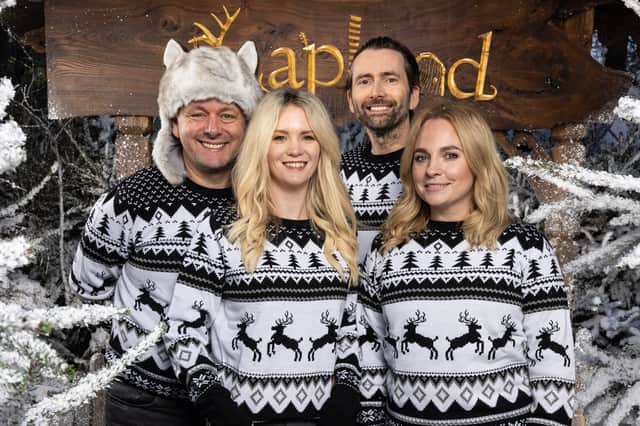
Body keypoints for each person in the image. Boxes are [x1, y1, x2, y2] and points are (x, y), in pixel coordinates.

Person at [69, 38, 262, 425]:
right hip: (145, 403)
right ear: (174, 122)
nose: (212, 128)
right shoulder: (128, 201)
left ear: (248, 122)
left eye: (227, 114)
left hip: (237, 403)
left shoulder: (264, 202)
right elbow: (86, 290)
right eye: (196, 114)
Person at [358, 103, 575, 425]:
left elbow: (553, 366)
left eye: (450, 155)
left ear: (478, 162)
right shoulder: (387, 249)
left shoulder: (525, 248)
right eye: (421, 157)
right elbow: (369, 354)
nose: (432, 169)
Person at [165, 88, 361, 426]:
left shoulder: (339, 238)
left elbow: (352, 332)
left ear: (322, 147)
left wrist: (345, 397)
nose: (295, 150)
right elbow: (182, 330)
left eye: (308, 137)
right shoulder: (222, 232)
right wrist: (219, 407)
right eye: (280, 137)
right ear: (261, 146)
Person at [340, 36, 421, 264]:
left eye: (390, 80)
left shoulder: (436, 171)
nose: (376, 92)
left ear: (413, 95)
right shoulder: (335, 173)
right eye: (364, 81)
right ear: (350, 99)